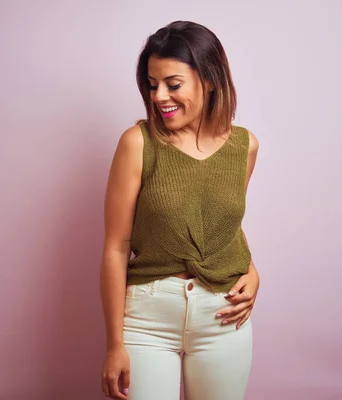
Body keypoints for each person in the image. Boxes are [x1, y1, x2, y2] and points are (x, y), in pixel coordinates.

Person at [100, 20, 260, 400]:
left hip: (223, 316)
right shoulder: (137, 142)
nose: (159, 96)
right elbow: (115, 247)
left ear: (209, 79)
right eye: (152, 85)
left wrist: (252, 271)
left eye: (173, 84)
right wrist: (114, 344)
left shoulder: (245, 146)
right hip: (148, 320)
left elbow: (224, 225)